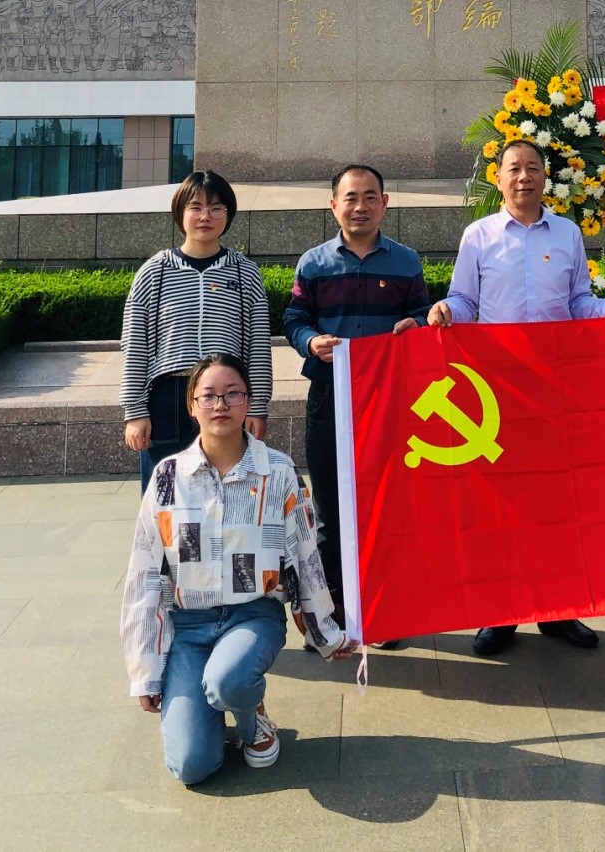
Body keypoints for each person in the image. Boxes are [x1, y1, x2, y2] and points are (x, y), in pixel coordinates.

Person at [428, 137, 605, 656]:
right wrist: (447, 311)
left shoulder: (567, 233)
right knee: (502, 504)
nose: (524, 177)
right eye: (514, 168)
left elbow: (579, 300)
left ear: (546, 177)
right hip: (498, 390)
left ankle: (559, 609)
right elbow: (464, 299)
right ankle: (500, 613)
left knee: (559, 500)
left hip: (556, 387)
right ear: (498, 178)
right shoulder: (478, 235)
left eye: (533, 168)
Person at [120, 353, 354, 785]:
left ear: (248, 401)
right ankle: (214, 702)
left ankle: (250, 716)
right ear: (191, 405)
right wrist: (145, 671)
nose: (221, 405)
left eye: (233, 394)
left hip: (253, 616)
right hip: (188, 627)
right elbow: (144, 574)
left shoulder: (278, 471)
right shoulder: (168, 476)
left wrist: (326, 632)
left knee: (228, 681)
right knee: (191, 767)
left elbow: (305, 558)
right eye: (208, 395)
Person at [282, 164, 429, 641]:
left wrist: (417, 325)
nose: (360, 206)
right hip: (330, 396)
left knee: (385, 509)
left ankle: (382, 609)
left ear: (385, 203)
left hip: (389, 401)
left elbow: (423, 311)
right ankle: (332, 615)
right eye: (350, 197)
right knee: (330, 511)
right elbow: (294, 318)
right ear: (334, 205)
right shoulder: (314, 263)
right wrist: (310, 342)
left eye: (369, 197)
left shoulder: (406, 262)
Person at [120, 171, 272, 490]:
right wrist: (135, 411)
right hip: (168, 398)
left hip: (225, 397)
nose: (205, 216)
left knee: (226, 492)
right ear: (180, 213)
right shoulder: (155, 271)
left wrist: (257, 406)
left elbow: (257, 345)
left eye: (216, 208)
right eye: (196, 207)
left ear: (228, 215)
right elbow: (135, 345)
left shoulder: (245, 273)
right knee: (166, 495)